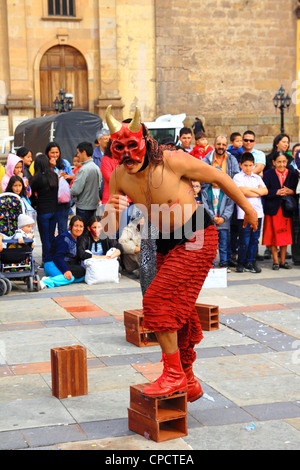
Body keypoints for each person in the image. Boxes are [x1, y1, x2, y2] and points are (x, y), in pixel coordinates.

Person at [103, 105, 258, 402]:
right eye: (118, 148)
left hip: (197, 237)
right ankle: (187, 378)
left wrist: (248, 209)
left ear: (146, 143)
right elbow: (110, 222)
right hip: (164, 244)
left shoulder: (173, 161)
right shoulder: (120, 176)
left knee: (157, 301)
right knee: (180, 311)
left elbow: (220, 177)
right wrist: (112, 210)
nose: (126, 155)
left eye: (131, 146)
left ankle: (173, 375)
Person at [262, 152, 298, 270]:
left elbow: (296, 191)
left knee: (284, 236)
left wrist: (291, 192)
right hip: (272, 209)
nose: (281, 164)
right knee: (272, 236)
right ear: (274, 162)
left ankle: (283, 261)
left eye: (284, 162)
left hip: (286, 210)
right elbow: (264, 192)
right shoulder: (268, 174)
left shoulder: (292, 175)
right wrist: (275, 192)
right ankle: (275, 261)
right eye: (279, 162)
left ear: (287, 162)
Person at [233, 153, 268, 273]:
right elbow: (242, 191)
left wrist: (253, 191)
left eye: (250, 165)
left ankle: (250, 261)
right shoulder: (237, 177)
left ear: (254, 165)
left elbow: (265, 191)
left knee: (254, 239)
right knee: (244, 239)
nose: (248, 168)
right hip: (244, 214)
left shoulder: (257, 178)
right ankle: (241, 261)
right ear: (240, 165)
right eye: (245, 165)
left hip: (258, 213)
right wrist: (257, 191)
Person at [41, 216, 86, 289]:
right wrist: (66, 270)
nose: (78, 229)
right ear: (70, 226)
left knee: (83, 276)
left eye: (81, 226)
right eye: (76, 226)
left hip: (64, 263)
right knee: (69, 278)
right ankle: (45, 282)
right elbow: (58, 258)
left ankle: (53, 278)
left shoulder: (79, 238)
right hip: (51, 263)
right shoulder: (64, 238)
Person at [30, 154, 58, 266]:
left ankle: (47, 261)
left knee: (45, 238)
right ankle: (51, 259)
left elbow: (31, 195)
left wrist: (35, 204)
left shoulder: (36, 178)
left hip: (43, 211)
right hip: (54, 210)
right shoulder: (54, 176)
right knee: (51, 237)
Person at [201, 177, 234, 271]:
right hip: (211, 222)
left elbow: (230, 206)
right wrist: (213, 217)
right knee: (211, 244)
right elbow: (205, 205)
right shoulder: (206, 191)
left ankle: (224, 262)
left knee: (223, 244)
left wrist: (223, 218)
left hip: (223, 223)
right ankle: (212, 262)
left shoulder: (227, 192)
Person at [45, 142, 73, 235]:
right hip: (50, 200)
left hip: (63, 200)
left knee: (63, 227)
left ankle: (62, 247)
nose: (55, 155)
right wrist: (51, 168)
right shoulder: (44, 164)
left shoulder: (65, 163)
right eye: (52, 153)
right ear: (47, 153)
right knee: (50, 229)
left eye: (57, 152)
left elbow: (73, 177)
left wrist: (66, 176)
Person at [70, 142, 101, 225]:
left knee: (82, 232)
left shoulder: (83, 169)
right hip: (94, 206)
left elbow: (75, 190)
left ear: (84, 152)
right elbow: (99, 186)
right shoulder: (96, 167)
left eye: (78, 152)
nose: (77, 155)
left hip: (83, 207)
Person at [119, 213, 144, 277]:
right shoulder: (130, 228)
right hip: (133, 262)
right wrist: (137, 249)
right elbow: (122, 242)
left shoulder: (153, 228)